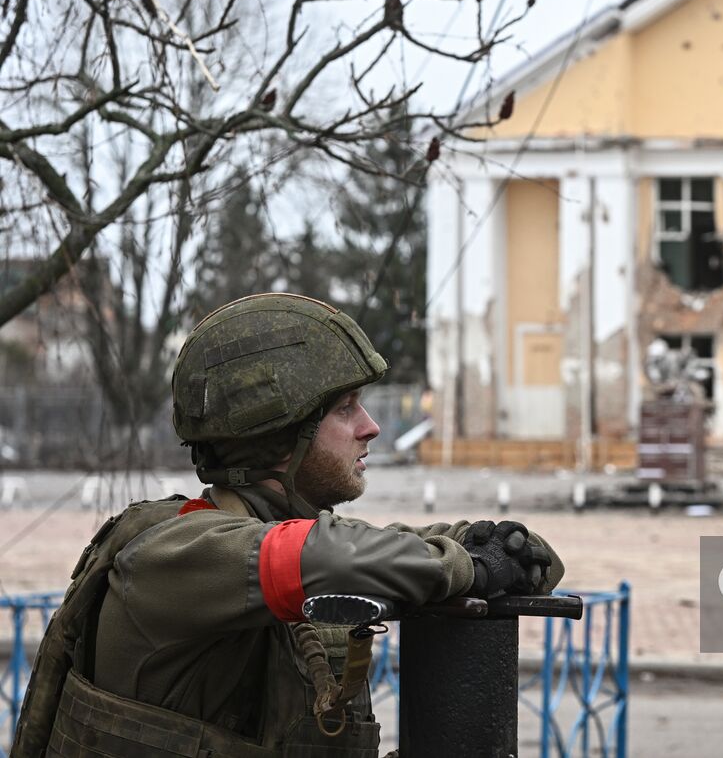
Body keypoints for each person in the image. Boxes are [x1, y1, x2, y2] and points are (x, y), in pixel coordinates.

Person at [13, 293, 562, 758]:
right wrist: (466, 565)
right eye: (346, 408)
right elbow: (328, 556)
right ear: (280, 434)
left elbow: (354, 548)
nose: (369, 427)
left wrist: (486, 546)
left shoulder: (280, 539)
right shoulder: (175, 553)